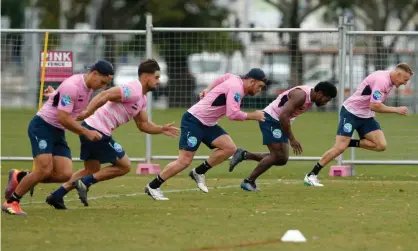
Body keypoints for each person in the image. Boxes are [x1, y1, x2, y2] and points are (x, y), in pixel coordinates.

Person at [45, 59, 180, 209]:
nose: (158, 81)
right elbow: (106, 94)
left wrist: (161, 129)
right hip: (97, 130)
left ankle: (56, 196)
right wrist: (88, 111)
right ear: (146, 77)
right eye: (156, 77)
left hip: (93, 128)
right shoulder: (132, 90)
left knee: (91, 170)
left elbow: (143, 124)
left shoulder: (141, 98)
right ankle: (85, 182)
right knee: (124, 166)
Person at [3, 60, 114, 215]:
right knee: (43, 169)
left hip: (58, 131)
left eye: (106, 84)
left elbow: (66, 104)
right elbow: (63, 117)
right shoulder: (73, 86)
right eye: (102, 82)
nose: (102, 87)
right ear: (94, 73)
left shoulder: (87, 87)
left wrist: (54, 95)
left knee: (65, 174)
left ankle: (20, 176)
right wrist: (86, 132)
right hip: (42, 127)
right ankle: (11, 202)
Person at [145, 69, 268, 200]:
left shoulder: (234, 79)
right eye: (259, 86)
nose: (259, 90)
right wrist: (252, 115)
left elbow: (224, 77)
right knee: (184, 160)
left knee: (229, 148)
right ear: (252, 81)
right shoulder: (236, 88)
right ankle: (153, 186)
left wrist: (208, 89)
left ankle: (198, 172)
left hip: (208, 124)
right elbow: (233, 114)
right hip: (193, 121)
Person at [304, 63, 414, 187]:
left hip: (366, 116)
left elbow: (372, 104)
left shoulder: (389, 81)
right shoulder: (382, 81)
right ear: (398, 74)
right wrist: (396, 110)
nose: (405, 83)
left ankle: (349, 142)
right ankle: (311, 175)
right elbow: (374, 105)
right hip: (351, 113)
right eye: (405, 80)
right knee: (339, 148)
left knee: (381, 145)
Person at [228, 82, 337, 191]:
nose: (325, 103)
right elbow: (283, 115)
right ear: (320, 93)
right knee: (276, 156)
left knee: (282, 159)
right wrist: (292, 139)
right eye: (326, 99)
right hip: (270, 119)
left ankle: (243, 155)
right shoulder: (301, 95)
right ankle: (249, 181)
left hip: (280, 122)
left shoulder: (310, 98)